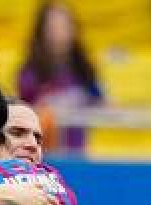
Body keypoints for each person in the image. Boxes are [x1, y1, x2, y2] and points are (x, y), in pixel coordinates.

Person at [18, 2, 102, 151]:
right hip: (45, 154)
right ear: (42, 30)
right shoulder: (30, 73)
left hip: (79, 153)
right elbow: (22, 113)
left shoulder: (84, 69)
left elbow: (100, 103)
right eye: (53, 27)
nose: (59, 33)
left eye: (64, 26)